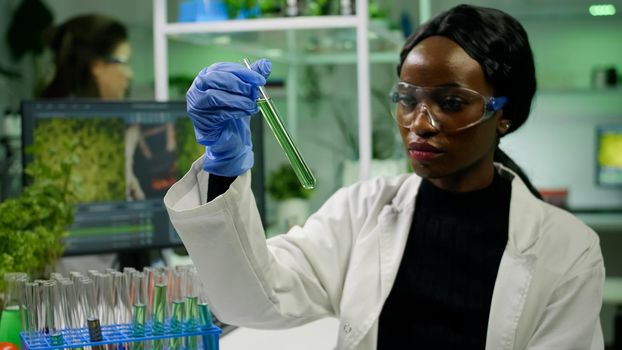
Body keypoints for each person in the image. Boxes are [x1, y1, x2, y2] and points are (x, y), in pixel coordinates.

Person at [164, 4, 604, 349]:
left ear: (503, 114)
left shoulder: (567, 249)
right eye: (408, 99)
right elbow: (254, 300)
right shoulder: (362, 211)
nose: (421, 122)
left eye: (451, 102)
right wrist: (223, 168)